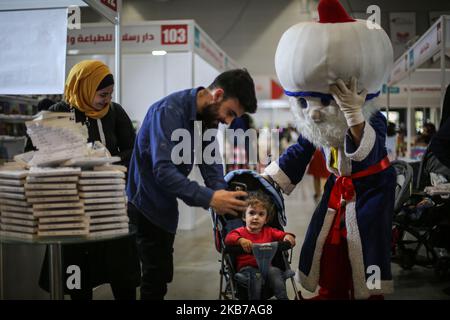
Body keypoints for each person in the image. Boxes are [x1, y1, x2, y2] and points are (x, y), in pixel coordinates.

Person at [264, 0, 395, 299]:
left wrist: (354, 116)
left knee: (367, 251)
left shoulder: (374, 118)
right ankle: (330, 291)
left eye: (324, 102)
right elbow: (300, 150)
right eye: (304, 103)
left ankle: (369, 295)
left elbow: (370, 154)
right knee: (326, 246)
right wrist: (267, 179)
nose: (313, 113)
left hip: (372, 191)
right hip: (337, 189)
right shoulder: (318, 126)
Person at [126, 68, 258, 300]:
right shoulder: (168, 112)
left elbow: (210, 165)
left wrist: (227, 203)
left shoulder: (208, 117)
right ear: (217, 95)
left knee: (161, 275)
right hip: (145, 206)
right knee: (152, 280)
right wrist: (210, 198)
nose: (227, 122)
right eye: (229, 113)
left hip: (165, 207)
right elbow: (163, 171)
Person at [38, 60, 140, 300]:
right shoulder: (58, 113)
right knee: (78, 279)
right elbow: (38, 155)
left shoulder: (114, 112)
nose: (106, 99)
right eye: (102, 94)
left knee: (123, 275)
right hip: (73, 209)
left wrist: (107, 158)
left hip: (110, 203)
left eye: (110, 94)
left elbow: (133, 150)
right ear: (83, 86)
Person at [224, 191, 296, 300]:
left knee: (275, 272)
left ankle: (283, 296)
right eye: (252, 213)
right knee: (256, 277)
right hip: (247, 269)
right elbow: (228, 238)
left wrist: (288, 236)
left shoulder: (269, 231)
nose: (256, 217)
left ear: (266, 219)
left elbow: (282, 235)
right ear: (244, 217)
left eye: (261, 214)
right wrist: (240, 240)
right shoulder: (240, 232)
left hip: (267, 267)